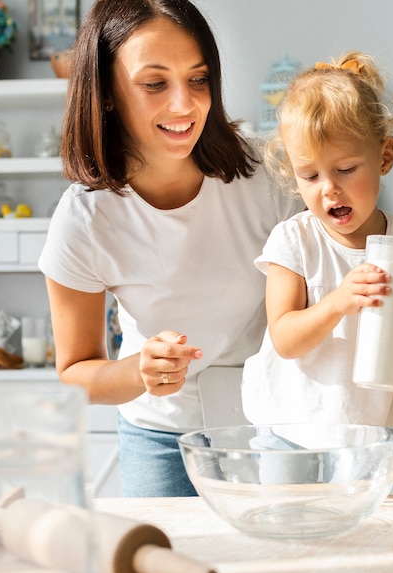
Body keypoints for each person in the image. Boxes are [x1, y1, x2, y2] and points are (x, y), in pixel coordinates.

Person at [38, 0, 302, 497]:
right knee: (172, 572)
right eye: (154, 83)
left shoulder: (266, 177)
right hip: (160, 435)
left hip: (269, 424)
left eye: (198, 79)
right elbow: (76, 372)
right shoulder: (85, 219)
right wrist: (139, 371)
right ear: (108, 92)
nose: (184, 105)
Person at [241, 51, 393, 433]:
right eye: (309, 176)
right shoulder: (294, 240)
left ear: (385, 156)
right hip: (291, 429)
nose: (329, 189)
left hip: (371, 434)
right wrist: (338, 302)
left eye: (345, 169)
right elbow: (285, 340)